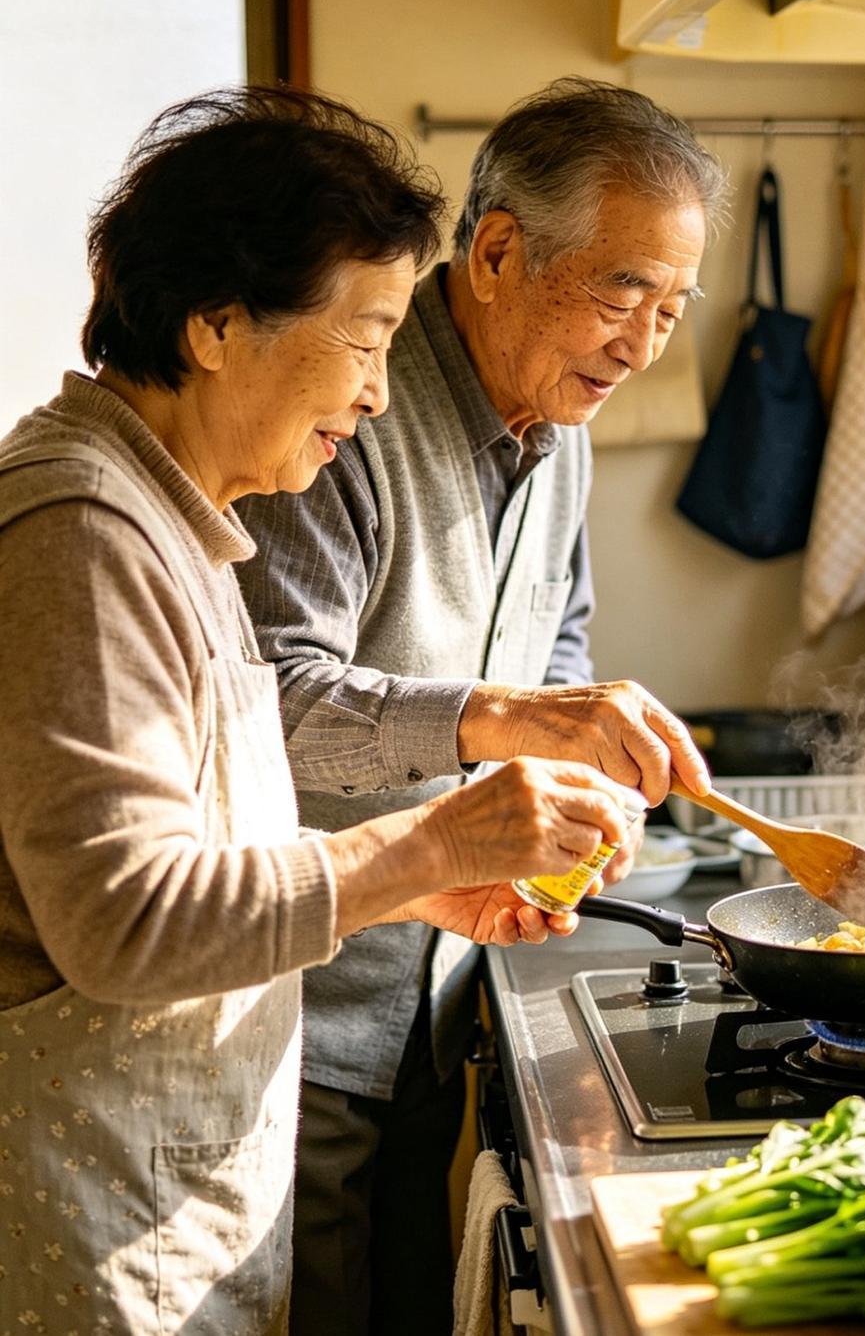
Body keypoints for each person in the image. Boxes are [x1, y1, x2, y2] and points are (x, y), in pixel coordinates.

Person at [0, 86, 643, 1332]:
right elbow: (124, 919)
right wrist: (428, 844)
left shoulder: (177, 522)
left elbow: (206, 843)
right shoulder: (81, 532)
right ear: (216, 326)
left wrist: (413, 892)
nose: (380, 395)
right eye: (363, 341)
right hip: (93, 1219)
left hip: (160, 1185)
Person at [236, 77, 727, 1333]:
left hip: (445, 984)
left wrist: (580, 780)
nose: (642, 344)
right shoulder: (345, 408)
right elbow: (271, 699)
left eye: (671, 308)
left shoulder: (562, 426)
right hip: (305, 1000)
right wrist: (510, 719)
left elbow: (557, 640)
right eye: (621, 292)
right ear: (499, 251)